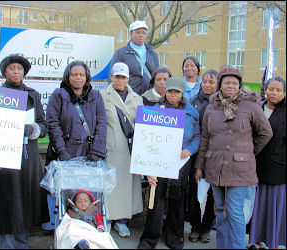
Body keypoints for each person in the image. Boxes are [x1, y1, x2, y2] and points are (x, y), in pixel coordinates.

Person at [194, 67, 273, 249]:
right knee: (220, 210)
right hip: (215, 167)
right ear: (220, 85)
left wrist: (248, 152)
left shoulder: (250, 105)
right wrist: (200, 166)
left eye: (235, 83)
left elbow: (265, 132)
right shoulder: (212, 106)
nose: (231, 86)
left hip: (240, 170)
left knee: (235, 212)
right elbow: (205, 137)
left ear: (240, 85)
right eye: (227, 83)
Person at [0, 54, 49, 249]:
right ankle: (6, 245)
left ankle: (22, 244)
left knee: (23, 200)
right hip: (3, 154)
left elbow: (43, 124)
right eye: (12, 68)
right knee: (6, 200)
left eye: (19, 68)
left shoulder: (33, 94)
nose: (16, 71)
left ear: (24, 72)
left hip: (27, 155)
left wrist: (33, 129)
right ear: (5, 71)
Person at [138, 77, 200, 249]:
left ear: (182, 93)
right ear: (166, 92)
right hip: (159, 162)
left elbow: (198, 135)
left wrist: (191, 149)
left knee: (177, 201)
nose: (173, 95)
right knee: (156, 202)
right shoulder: (155, 110)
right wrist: (147, 169)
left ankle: (174, 237)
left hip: (181, 163)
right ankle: (150, 238)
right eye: (170, 91)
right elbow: (145, 139)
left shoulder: (191, 111)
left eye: (177, 92)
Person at [101, 62, 143, 238]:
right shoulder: (102, 96)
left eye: (123, 77)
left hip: (131, 150)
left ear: (128, 79)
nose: (120, 80)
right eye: (117, 76)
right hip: (111, 149)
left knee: (127, 187)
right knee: (110, 186)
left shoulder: (137, 99)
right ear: (111, 77)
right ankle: (107, 219)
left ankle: (123, 221)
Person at [249, 77, 286, 249]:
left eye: (279, 90)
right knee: (257, 207)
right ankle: (256, 240)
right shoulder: (257, 108)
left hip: (278, 168)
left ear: (283, 92)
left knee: (275, 208)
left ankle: (275, 242)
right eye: (271, 89)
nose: (274, 93)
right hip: (255, 166)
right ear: (265, 89)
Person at [46, 60, 107, 161]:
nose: (78, 78)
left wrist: (97, 151)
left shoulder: (96, 96)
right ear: (68, 77)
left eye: (82, 75)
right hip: (65, 154)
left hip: (90, 154)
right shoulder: (59, 95)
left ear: (86, 77)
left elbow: (101, 125)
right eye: (74, 75)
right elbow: (53, 124)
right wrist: (61, 151)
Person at [188, 70, 218, 243]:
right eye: (204, 81)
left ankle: (206, 227)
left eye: (211, 82)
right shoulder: (193, 103)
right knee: (193, 193)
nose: (207, 85)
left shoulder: (221, 104)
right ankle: (195, 227)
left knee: (212, 196)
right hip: (195, 154)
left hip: (214, 155)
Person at [109, 20, 159, 96]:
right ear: (131, 34)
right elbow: (112, 75)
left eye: (144, 33)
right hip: (128, 97)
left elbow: (157, 76)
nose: (141, 35)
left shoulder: (152, 53)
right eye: (137, 32)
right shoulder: (121, 53)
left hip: (149, 97)